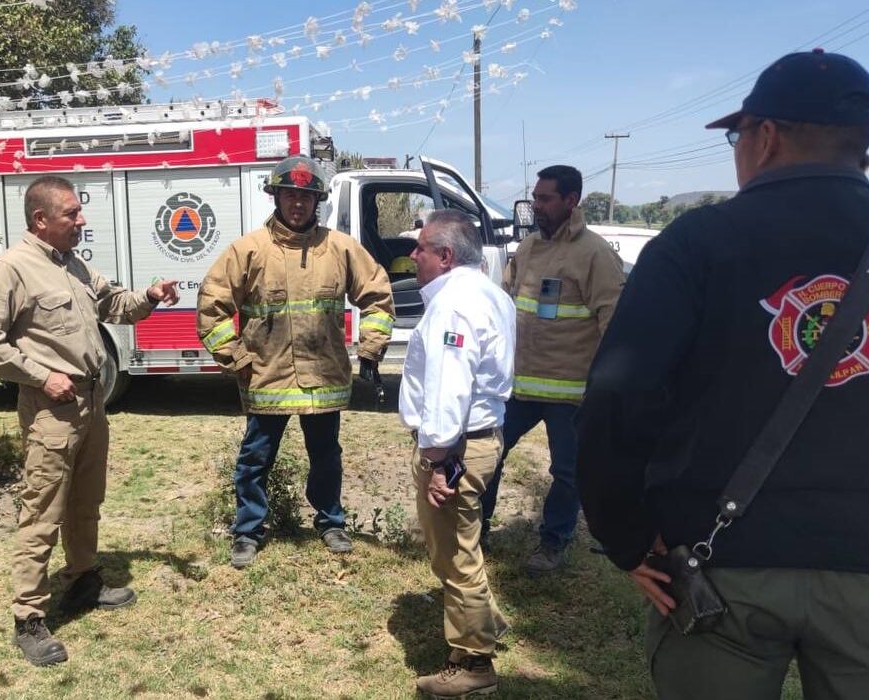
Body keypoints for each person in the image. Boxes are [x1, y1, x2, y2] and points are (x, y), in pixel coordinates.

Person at [576, 50, 869, 698]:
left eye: (736, 134)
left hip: (720, 569)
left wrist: (627, 537)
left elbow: (617, 392)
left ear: (765, 137)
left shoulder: (697, 243)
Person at [0, 175, 180, 667]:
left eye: (79, 212)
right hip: (50, 411)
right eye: (72, 214)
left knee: (87, 500)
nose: (81, 221)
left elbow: (115, 305)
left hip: (91, 402)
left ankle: (82, 581)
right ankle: (29, 618)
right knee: (43, 510)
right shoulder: (12, 269)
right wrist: (41, 376)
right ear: (41, 219)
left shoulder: (74, 265)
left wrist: (149, 295)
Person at [197, 155, 395, 569]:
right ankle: (248, 530)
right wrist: (235, 358)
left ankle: (330, 522)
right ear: (276, 197)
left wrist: (372, 349)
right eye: (290, 195)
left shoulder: (340, 248)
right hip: (267, 378)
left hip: (322, 378)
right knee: (255, 459)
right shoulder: (248, 250)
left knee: (326, 456)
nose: (298, 204)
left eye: (306, 196)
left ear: (317, 200)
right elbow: (211, 306)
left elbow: (377, 297)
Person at [479, 164, 624, 573]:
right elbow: (505, 308)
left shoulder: (594, 254)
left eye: (545, 199)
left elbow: (613, 323)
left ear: (571, 201)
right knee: (488, 455)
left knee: (567, 473)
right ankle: (476, 530)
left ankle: (553, 543)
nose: (535, 206)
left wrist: (609, 388)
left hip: (571, 394)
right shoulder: (526, 250)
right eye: (534, 198)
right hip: (518, 389)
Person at [399, 209, 516, 698]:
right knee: (462, 543)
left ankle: (474, 664)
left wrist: (440, 462)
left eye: (421, 248)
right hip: (480, 440)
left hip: (457, 449)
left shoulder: (453, 306)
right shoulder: (489, 293)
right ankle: (485, 620)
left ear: (445, 256)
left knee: (455, 553)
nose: (413, 255)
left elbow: (450, 391)